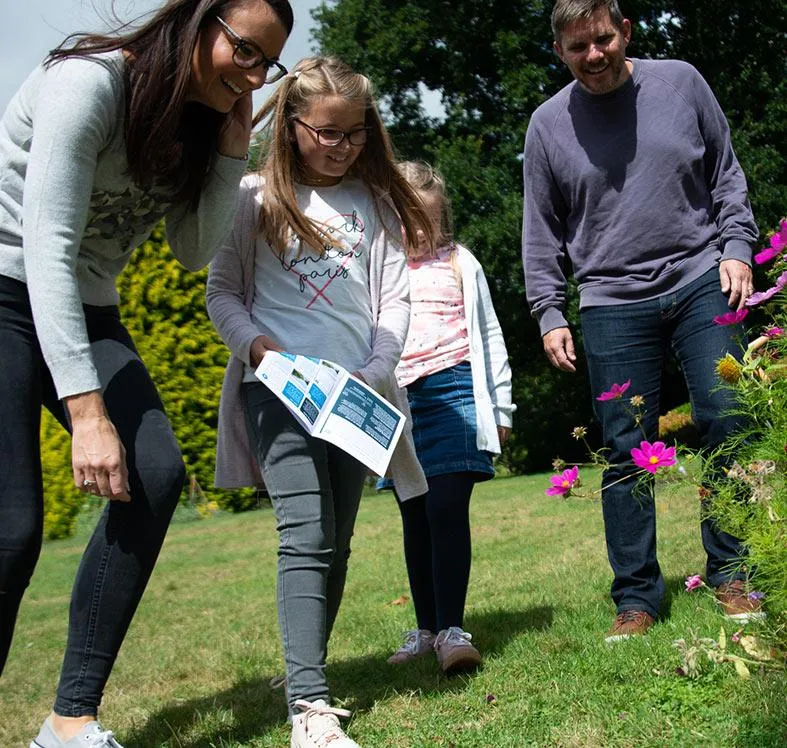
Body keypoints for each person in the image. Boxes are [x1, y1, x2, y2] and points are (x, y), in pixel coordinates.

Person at [0, 0, 292, 745]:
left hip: (86, 303)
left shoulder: (196, 124)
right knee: (12, 527)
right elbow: (47, 247)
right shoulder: (87, 85)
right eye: (244, 50)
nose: (253, 74)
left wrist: (229, 151)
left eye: (268, 62)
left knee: (154, 474)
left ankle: (70, 722)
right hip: (9, 286)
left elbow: (192, 251)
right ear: (198, 22)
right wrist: (88, 412)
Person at [206, 56, 432, 748]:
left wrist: (376, 366)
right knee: (304, 535)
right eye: (327, 134)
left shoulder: (375, 205)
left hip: (356, 397)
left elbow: (394, 298)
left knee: (335, 542)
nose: (342, 147)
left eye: (355, 133)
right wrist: (261, 353)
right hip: (277, 394)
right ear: (291, 125)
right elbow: (222, 295)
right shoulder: (252, 199)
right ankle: (309, 704)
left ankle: (305, 667)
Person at [522, 0, 762, 643]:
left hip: (698, 278)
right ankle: (637, 598)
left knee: (727, 418)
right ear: (560, 51)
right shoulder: (548, 125)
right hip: (609, 300)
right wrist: (549, 311)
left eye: (602, 39)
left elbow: (726, 176)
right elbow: (541, 232)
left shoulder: (681, 82)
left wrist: (737, 248)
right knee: (625, 448)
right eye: (578, 47)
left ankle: (733, 572)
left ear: (625, 31)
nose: (593, 56)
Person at [382, 161, 515, 673]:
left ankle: (454, 628)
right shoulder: (378, 268)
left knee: (445, 508)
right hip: (398, 405)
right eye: (405, 218)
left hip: (455, 391)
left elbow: (489, 335)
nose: (416, 231)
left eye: (427, 221)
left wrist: (499, 406)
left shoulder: (461, 262)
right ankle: (427, 629)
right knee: (414, 517)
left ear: (441, 222)